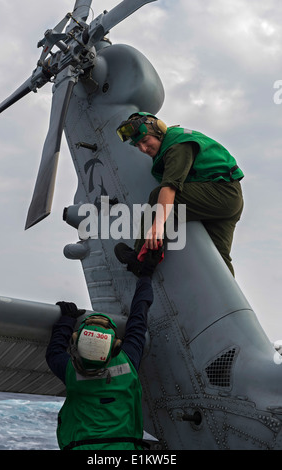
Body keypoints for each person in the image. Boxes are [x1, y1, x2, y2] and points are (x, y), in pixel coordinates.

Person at [46, 247, 163, 451]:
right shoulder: (128, 361)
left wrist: (66, 319)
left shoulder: (71, 372)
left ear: (76, 342)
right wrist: (145, 275)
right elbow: (138, 317)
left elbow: (54, 352)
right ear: (115, 346)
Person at [115, 112, 244, 276]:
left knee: (158, 196)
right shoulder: (175, 140)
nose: (143, 149)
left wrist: (156, 227)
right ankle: (227, 301)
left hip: (222, 193)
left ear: (159, 131)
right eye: (138, 145)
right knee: (217, 260)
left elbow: (170, 187)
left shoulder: (177, 145)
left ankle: (140, 258)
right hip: (230, 199)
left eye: (146, 141)